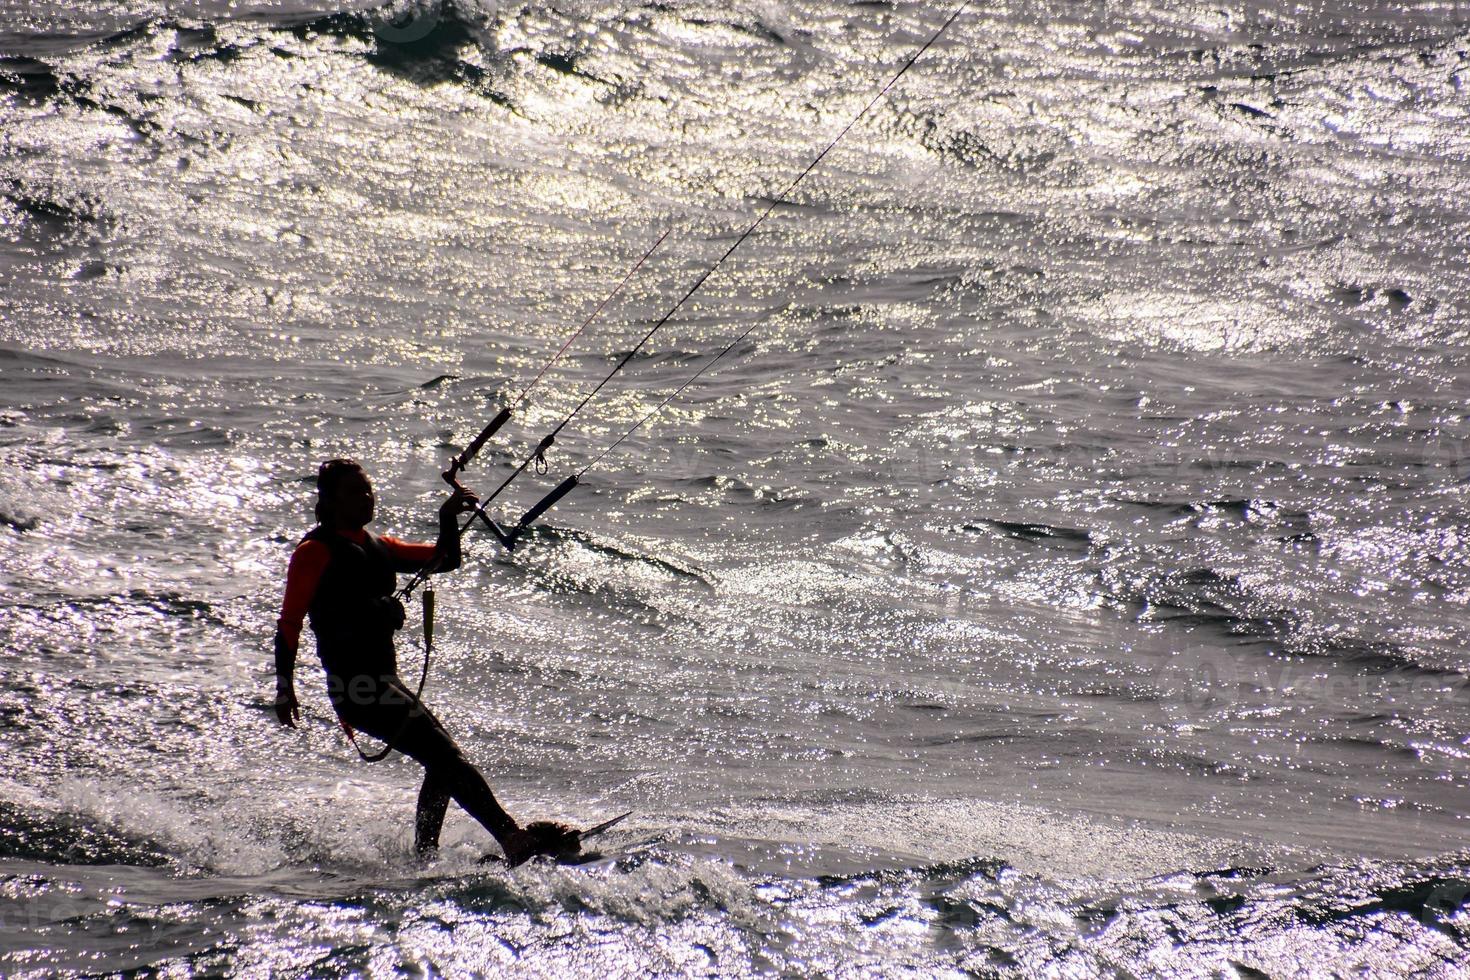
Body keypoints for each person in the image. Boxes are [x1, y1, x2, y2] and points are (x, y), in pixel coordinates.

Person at [272, 457, 573, 865]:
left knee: (441, 759)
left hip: (384, 681)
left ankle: (425, 855)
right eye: (353, 492)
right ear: (329, 501)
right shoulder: (314, 552)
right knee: (445, 755)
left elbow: (444, 559)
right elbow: (290, 623)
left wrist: (447, 517)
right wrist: (285, 688)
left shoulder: (379, 547)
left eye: (368, 489)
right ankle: (511, 838)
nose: (365, 498)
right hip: (354, 687)